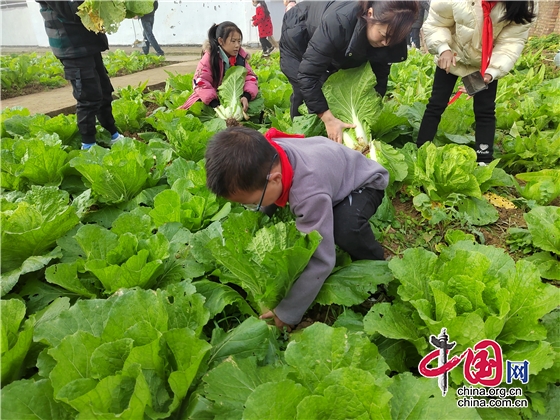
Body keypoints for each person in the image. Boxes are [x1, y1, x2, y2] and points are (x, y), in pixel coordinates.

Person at [205, 126, 389, 330]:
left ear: (275, 179)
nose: (251, 209)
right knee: (280, 204)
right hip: (329, 170)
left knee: (345, 229)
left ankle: (377, 267)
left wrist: (288, 312)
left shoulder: (308, 192)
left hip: (363, 183)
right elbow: (266, 194)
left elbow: (322, 259)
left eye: (252, 204)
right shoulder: (268, 154)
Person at [279, 0, 419, 142]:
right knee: (304, 90)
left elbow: (380, 75)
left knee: (336, 90)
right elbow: (307, 75)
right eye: (383, 35)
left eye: (392, 40)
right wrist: (328, 119)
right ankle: (298, 139)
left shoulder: (392, 33)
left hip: (338, 40)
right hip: (299, 33)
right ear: (370, 14)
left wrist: (368, 112)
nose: (386, 43)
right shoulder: (339, 22)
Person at [417, 1, 536, 165]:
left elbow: (511, 43)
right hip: (452, 55)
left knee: (485, 110)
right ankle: (420, 150)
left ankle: (484, 161)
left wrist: (491, 72)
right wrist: (442, 48)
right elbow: (437, 22)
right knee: (436, 103)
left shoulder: (524, 4)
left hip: (485, 63)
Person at [36, 0, 124, 150]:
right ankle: (88, 143)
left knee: (104, 90)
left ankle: (111, 133)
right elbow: (73, 12)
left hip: (89, 43)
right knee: (88, 95)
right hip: (72, 46)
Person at [179, 22, 258, 112]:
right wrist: (216, 105)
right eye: (233, 41)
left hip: (234, 99)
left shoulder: (240, 58)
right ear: (220, 41)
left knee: (257, 107)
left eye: (239, 41)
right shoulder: (210, 58)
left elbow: (250, 78)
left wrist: (246, 96)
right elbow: (201, 81)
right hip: (211, 101)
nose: (237, 45)